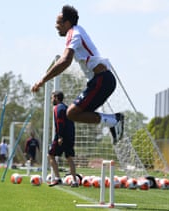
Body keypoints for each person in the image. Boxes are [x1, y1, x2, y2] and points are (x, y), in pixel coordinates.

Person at [31, 5, 124, 144]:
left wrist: (42, 80)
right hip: (101, 81)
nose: (56, 26)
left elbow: (65, 60)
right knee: (74, 113)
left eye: (58, 23)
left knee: (72, 113)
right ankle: (113, 121)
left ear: (67, 23)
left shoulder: (73, 33)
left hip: (101, 80)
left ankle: (115, 120)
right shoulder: (78, 31)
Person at [48, 91, 78, 188]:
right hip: (70, 135)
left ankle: (57, 178)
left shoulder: (58, 108)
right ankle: (74, 181)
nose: (51, 99)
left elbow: (60, 122)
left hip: (62, 136)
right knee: (69, 158)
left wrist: (60, 137)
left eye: (52, 98)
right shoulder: (66, 108)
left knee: (51, 155)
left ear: (56, 98)